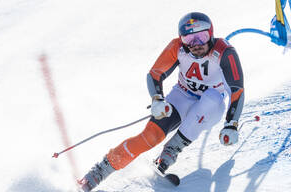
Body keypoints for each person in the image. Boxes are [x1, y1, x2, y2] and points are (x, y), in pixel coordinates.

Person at [79, 12, 244, 192]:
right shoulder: (177, 48)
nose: (196, 44)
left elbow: (237, 89)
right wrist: (157, 99)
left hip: (212, 106)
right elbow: (155, 73)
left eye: (202, 37)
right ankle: (98, 173)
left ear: (211, 34)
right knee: (150, 136)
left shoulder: (224, 52)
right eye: (189, 39)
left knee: (210, 99)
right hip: (183, 95)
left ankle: (170, 151)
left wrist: (231, 124)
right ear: (182, 40)